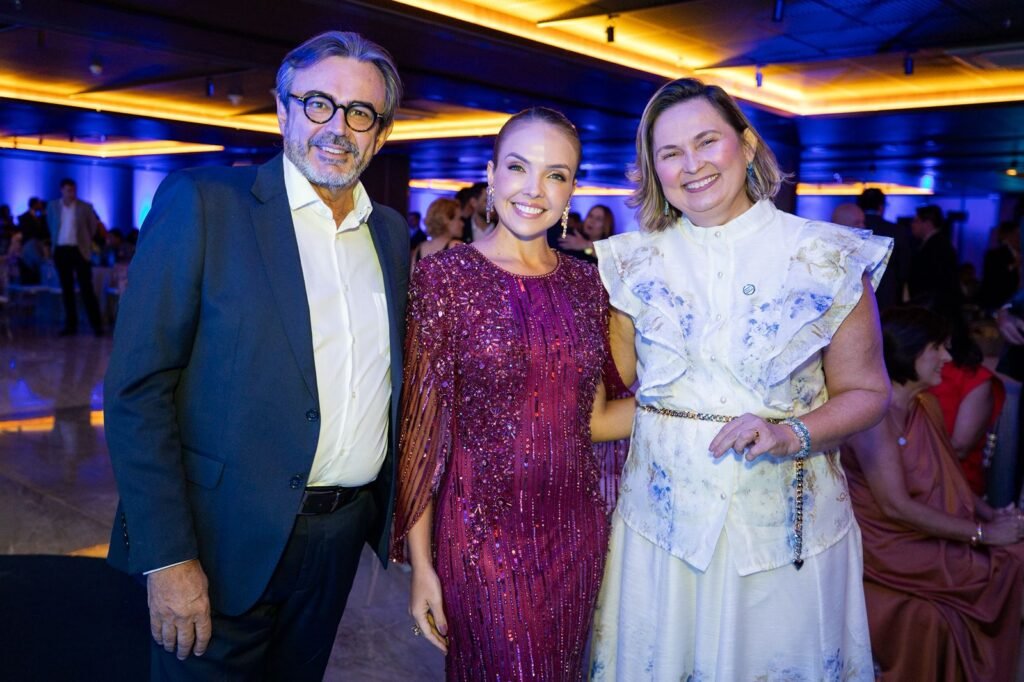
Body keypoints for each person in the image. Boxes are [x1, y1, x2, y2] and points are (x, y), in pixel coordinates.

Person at [104, 31, 408, 681]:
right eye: (318, 103)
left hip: (338, 540)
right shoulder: (205, 204)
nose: (338, 127)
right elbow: (137, 391)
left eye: (361, 113)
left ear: (381, 134)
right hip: (218, 540)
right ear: (282, 109)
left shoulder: (388, 234)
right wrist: (167, 556)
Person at [589, 77, 892, 680]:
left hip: (784, 535)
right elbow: (603, 392)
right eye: (670, 153)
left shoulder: (828, 258)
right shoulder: (629, 264)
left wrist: (791, 433)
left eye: (707, 142)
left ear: (747, 145)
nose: (692, 165)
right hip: (662, 534)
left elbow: (868, 392)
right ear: (653, 170)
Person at [392, 107, 635, 681]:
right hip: (481, 535)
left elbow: (593, 417)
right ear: (491, 174)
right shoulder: (443, 278)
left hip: (575, 531)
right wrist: (422, 565)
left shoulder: (589, 285)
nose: (534, 189)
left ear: (571, 189)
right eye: (518, 167)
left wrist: (702, 404)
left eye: (555, 174)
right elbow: (421, 432)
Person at [841, 306, 1024, 681]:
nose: (947, 358)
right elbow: (895, 507)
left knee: (1017, 551)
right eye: (937, 347)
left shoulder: (927, 406)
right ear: (907, 350)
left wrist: (992, 515)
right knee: (1008, 562)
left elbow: (951, 477)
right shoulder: (874, 418)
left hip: (928, 533)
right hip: (891, 547)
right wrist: (984, 534)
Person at [929, 324, 1005, 496]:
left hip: (952, 487)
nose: (945, 355)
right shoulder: (904, 384)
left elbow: (959, 449)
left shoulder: (971, 378)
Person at [47, 178, 104, 336]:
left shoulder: (85, 207)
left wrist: (86, 242)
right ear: (62, 190)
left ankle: (96, 325)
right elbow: (51, 225)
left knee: (87, 288)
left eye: (73, 190)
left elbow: (93, 227)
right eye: (68, 190)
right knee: (67, 289)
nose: (71, 193)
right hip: (61, 249)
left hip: (79, 250)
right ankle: (70, 325)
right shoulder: (53, 206)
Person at [858, 188, 910, 312]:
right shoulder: (897, 231)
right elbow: (904, 269)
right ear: (881, 207)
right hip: (888, 293)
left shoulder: (852, 228)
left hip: (856, 293)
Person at [909, 204, 962, 317]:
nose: (912, 225)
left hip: (934, 309)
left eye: (916, 221)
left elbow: (934, 282)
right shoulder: (937, 243)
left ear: (928, 223)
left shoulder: (937, 246)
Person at [410, 197, 463, 270]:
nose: (462, 224)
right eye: (459, 219)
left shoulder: (418, 249)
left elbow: (412, 276)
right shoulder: (457, 247)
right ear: (447, 221)